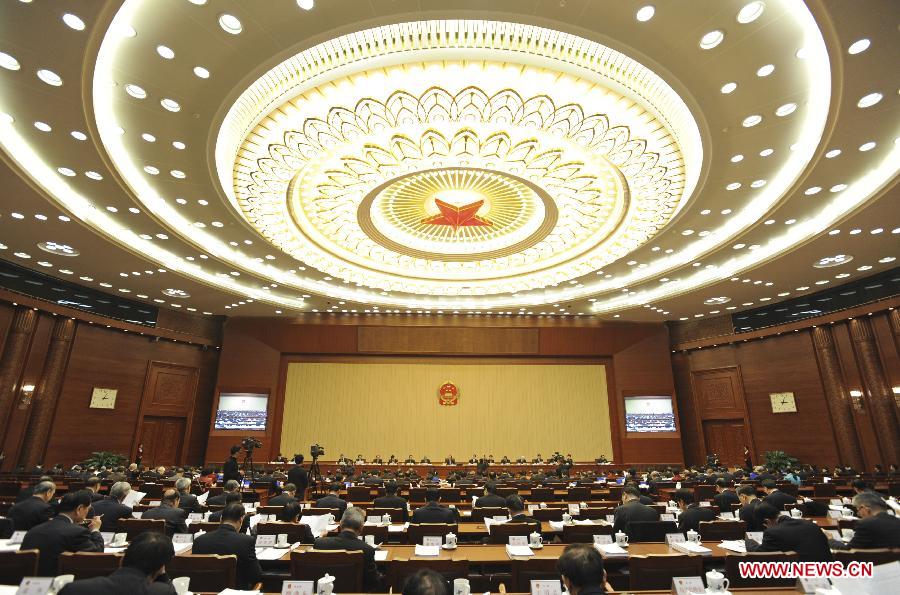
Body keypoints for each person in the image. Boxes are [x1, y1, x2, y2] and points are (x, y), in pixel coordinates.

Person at [59, 531, 177, 594]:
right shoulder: (162, 591)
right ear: (160, 568)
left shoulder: (73, 589)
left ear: (121, 560)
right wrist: (163, 576)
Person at [21, 490, 104, 575]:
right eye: (88, 509)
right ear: (79, 509)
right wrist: (95, 530)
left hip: (28, 582)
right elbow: (96, 554)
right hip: (59, 583)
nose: (87, 513)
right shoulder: (77, 532)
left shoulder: (33, 530)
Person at [192, 503, 262, 590]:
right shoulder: (246, 541)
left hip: (204, 591)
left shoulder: (199, 541)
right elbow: (256, 575)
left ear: (221, 519)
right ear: (241, 520)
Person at [313, 507, 380, 590]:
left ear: (340, 524)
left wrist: (321, 537)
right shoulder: (367, 549)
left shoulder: (319, 544)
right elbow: (373, 582)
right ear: (362, 527)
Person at [745, 503, 832, 562]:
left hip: (801, 576)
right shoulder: (812, 525)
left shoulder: (773, 533)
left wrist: (749, 540)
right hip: (829, 572)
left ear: (767, 521)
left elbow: (760, 554)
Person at [831, 492, 900, 549]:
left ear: (865, 508)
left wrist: (830, 539)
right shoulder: (898, 521)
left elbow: (849, 551)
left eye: (858, 510)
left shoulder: (865, 524)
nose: (858, 514)